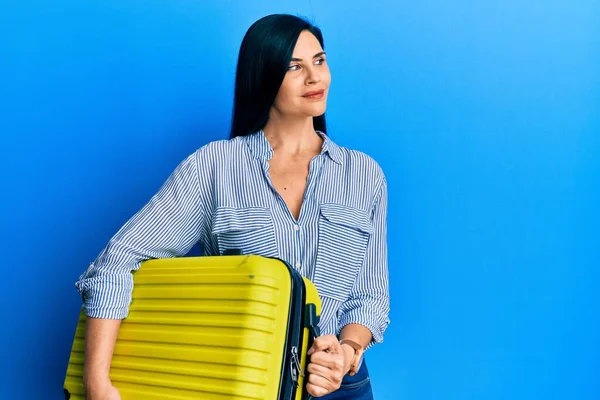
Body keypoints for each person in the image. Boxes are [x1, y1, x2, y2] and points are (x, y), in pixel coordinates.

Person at [76, 13, 390, 400]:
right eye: (295, 67)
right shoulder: (215, 167)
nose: (314, 77)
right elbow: (116, 263)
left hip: (341, 385)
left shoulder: (364, 174)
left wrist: (347, 352)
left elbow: (371, 295)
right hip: (244, 380)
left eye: (319, 61)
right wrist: (97, 383)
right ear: (263, 76)